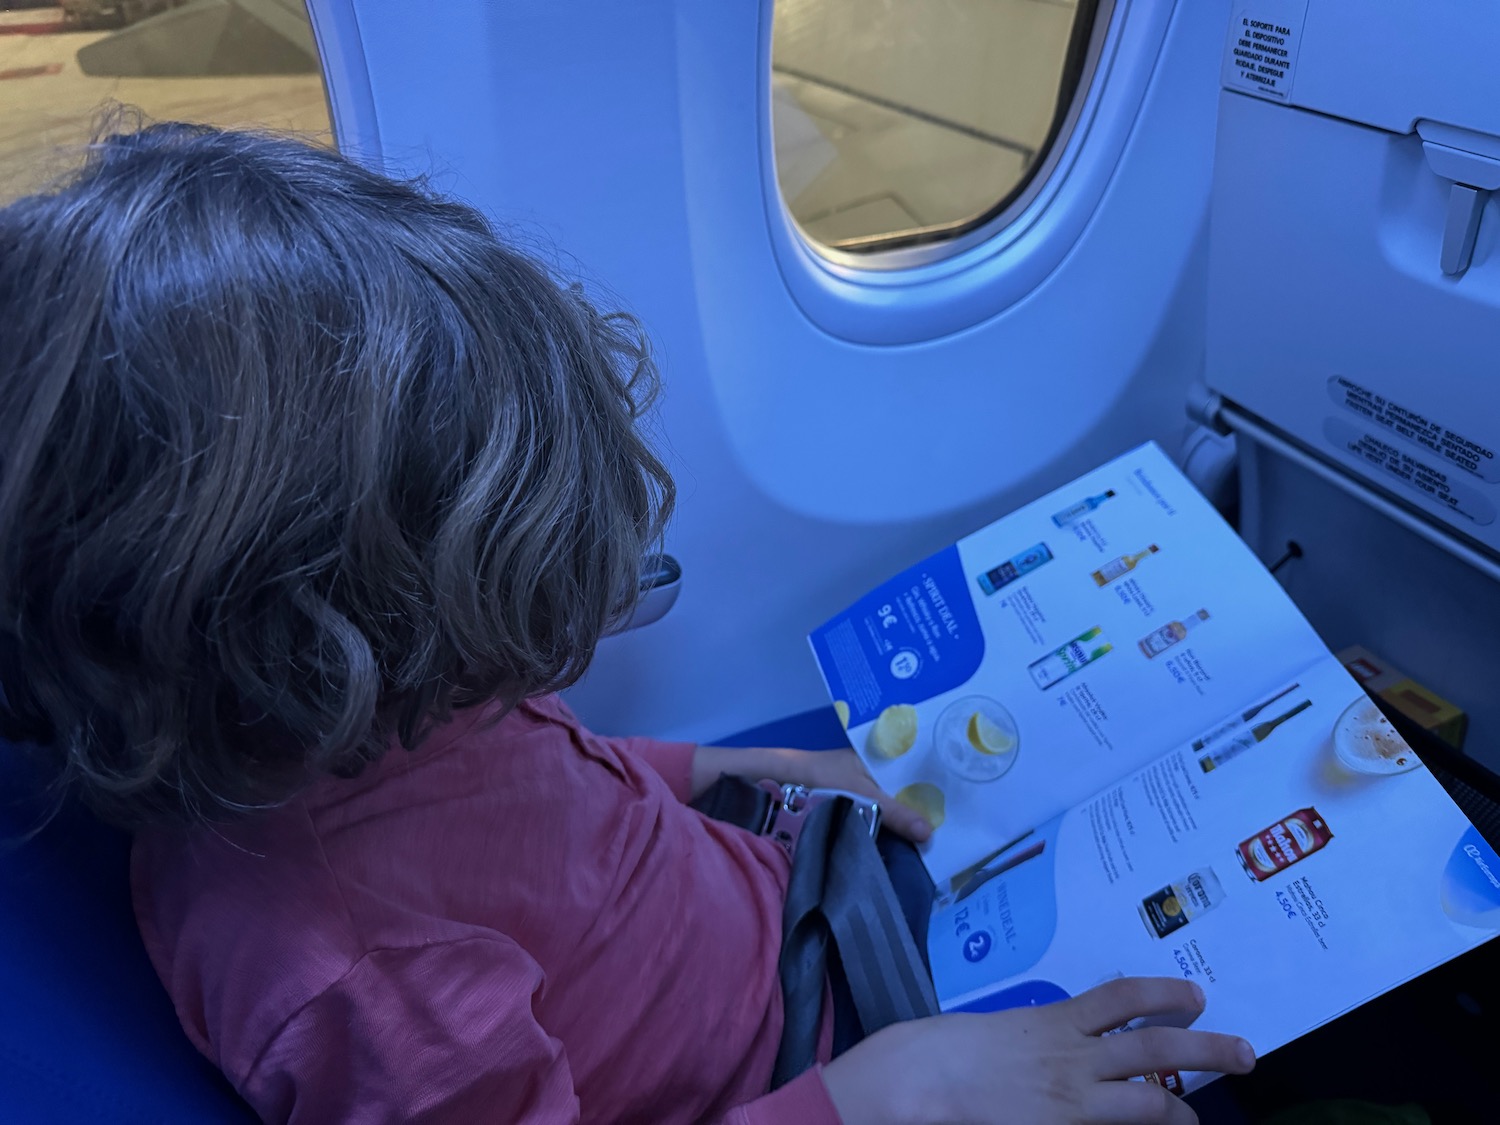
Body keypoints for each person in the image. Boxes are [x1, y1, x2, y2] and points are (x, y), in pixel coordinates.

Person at [0, 121, 1254, 1124]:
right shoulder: (361, 978)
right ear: (304, 631)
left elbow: (528, 790)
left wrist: (724, 768)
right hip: (815, 1049)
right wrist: (893, 1094)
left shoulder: (361, 709)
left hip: (783, 894)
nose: (519, 675)